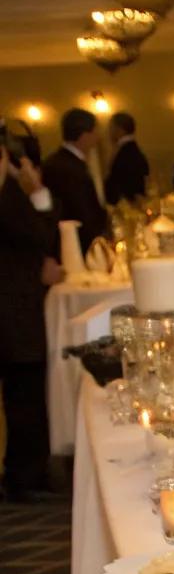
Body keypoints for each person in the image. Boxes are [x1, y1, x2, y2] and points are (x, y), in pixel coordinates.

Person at [0, 140, 62, 503]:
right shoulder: (8, 194)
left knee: (23, 395)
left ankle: (25, 474)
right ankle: (25, 478)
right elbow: (40, 234)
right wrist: (36, 190)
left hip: (14, 304)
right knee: (25, 395)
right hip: (13, 309)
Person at [42, 108, 107, 250]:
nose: (98, 137)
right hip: (74, 246)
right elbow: (82, 213)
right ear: (84, 136)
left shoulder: (57, 161)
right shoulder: (69, 168)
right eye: (95, 132)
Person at [104, 112, 149, 205]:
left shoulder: (126, 151)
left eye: (111, 128)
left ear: (120, 129)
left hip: (126, 204)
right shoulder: (132, 149)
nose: (109, 132)